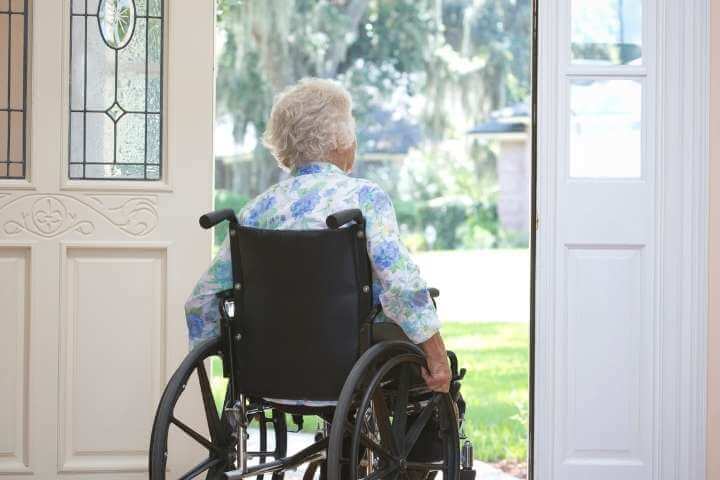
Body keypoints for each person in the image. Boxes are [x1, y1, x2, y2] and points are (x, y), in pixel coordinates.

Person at [184, 77, 451, 393]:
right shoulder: (365, 198)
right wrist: (436, 354)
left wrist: (226, 354)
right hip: (352, 366)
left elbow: (201, 298)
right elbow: (402, 283)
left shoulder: (258, 210)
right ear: (339, 138)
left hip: (269, 369)